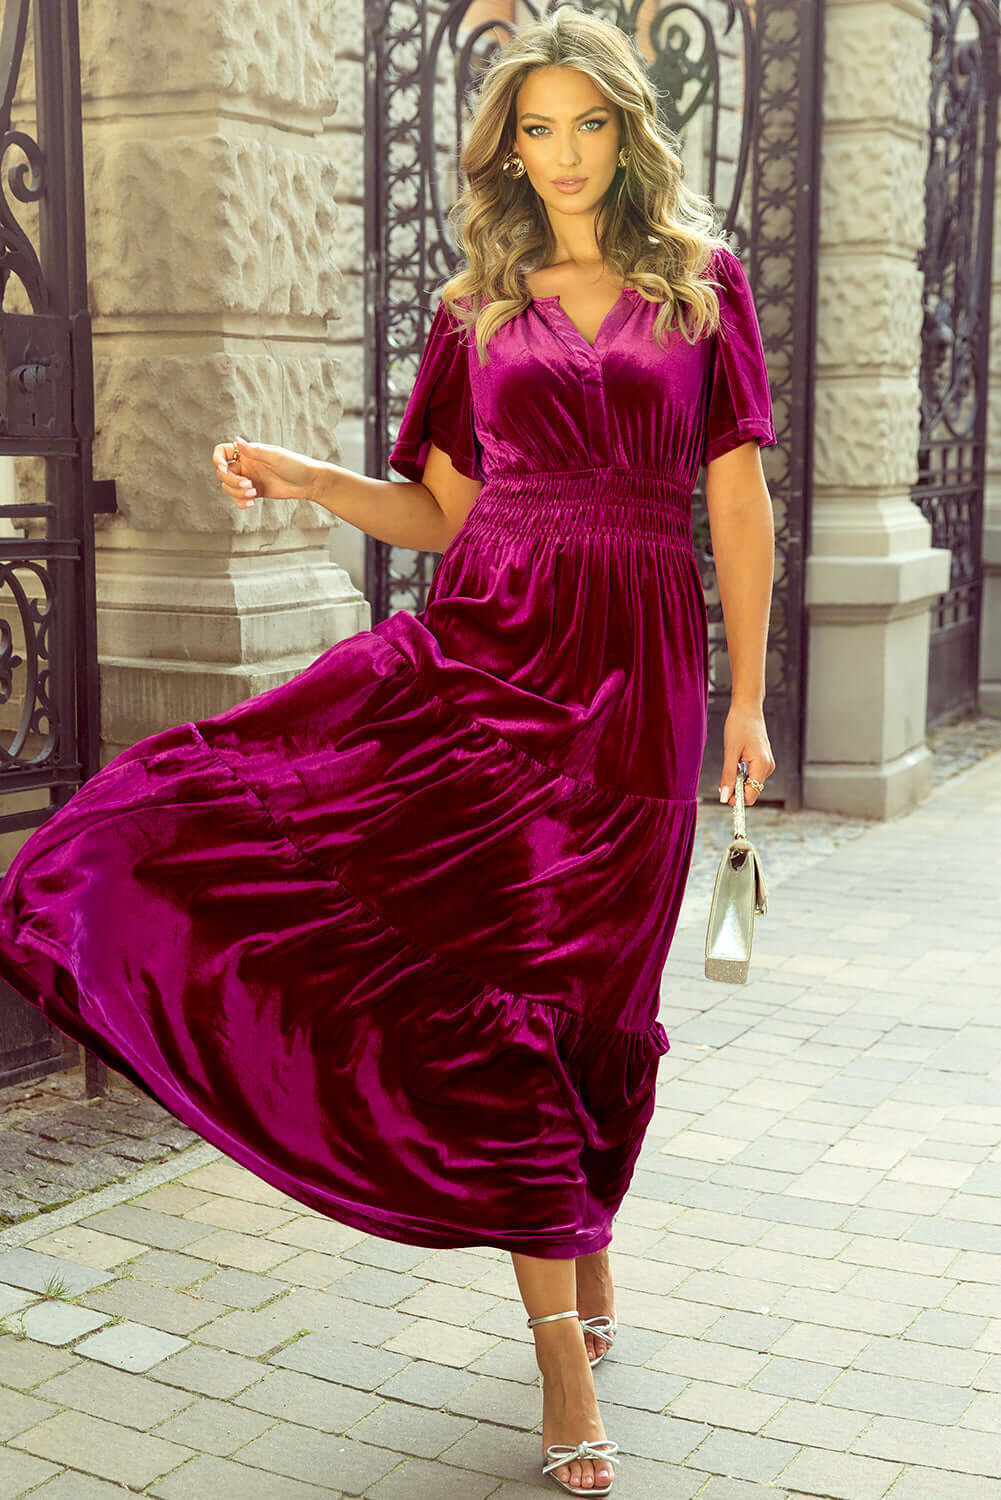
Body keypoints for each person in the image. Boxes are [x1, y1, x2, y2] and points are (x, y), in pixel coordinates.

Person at [0, 8, 776, 1495]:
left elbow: (733, 505)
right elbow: (436, 515)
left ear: (628, 130)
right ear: (504, 150)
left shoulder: (700, 289)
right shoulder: (472, 309)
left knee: (602, 986)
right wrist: (303, 478)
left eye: (585, 125)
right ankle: (558, 1346)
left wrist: (740, 700)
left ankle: (581, 1245)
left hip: (638, 673)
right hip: (487, 657)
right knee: (503, 977)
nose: (559, 157)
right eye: (532, 130)